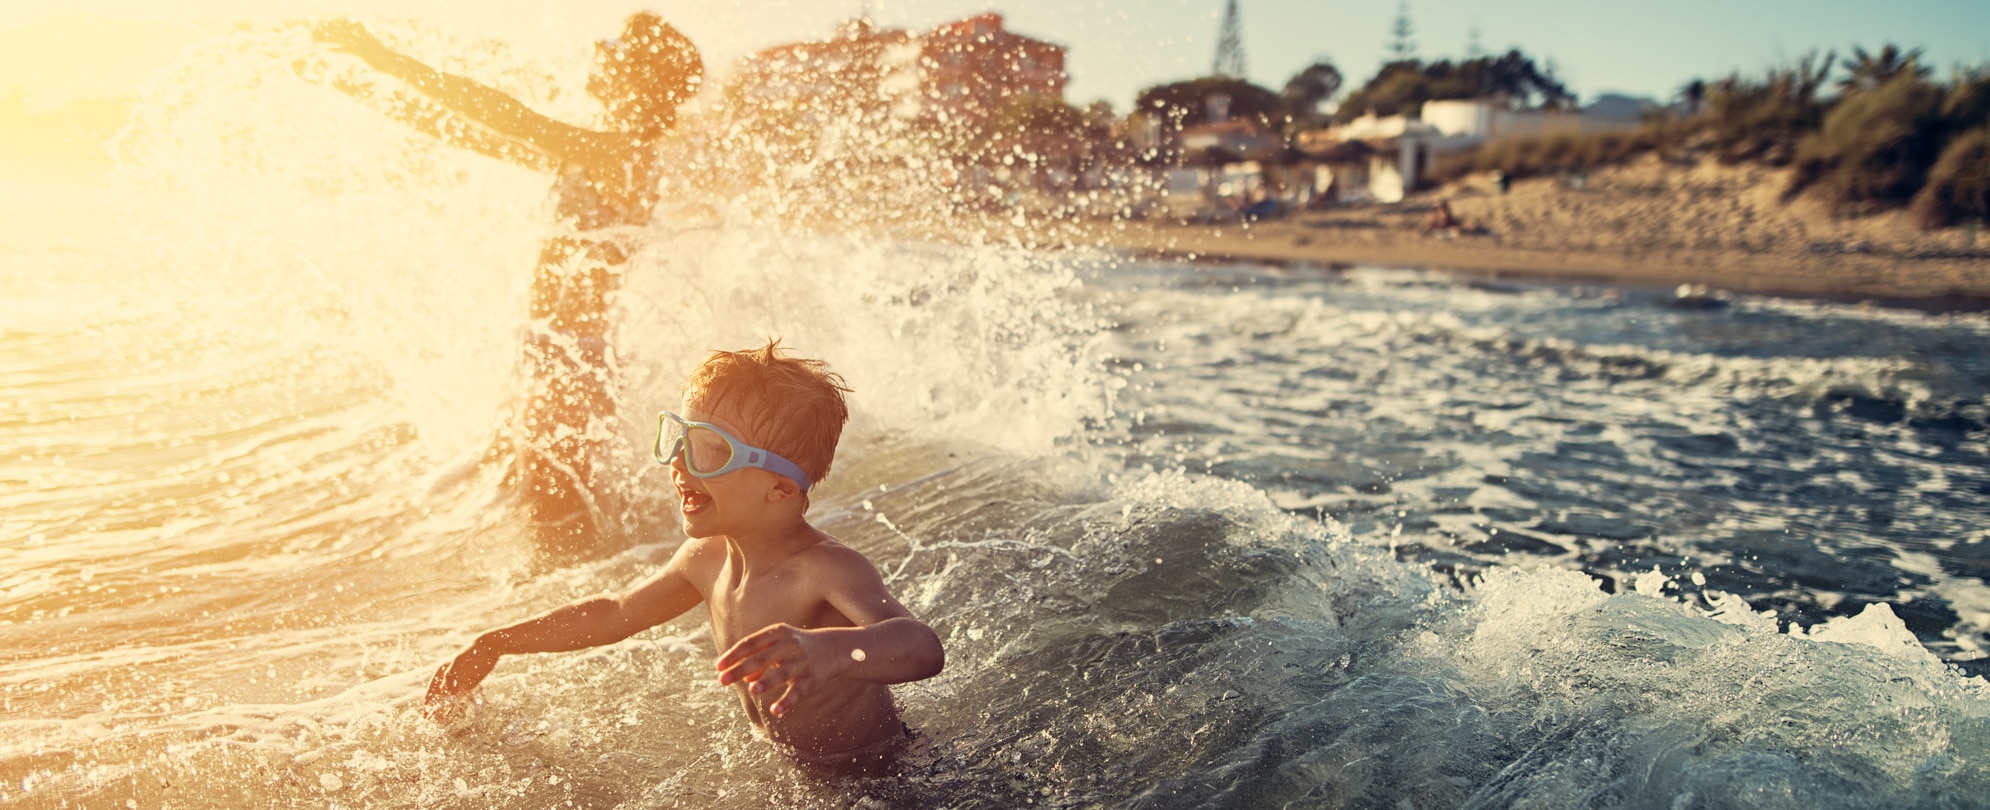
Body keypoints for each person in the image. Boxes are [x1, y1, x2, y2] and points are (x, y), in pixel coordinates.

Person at [423, 342, 946, 771]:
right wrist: (497, 642)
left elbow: (921, 647)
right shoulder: (705, 557)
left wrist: (830, 652)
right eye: (680, 438)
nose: (679, 463)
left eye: (710, 449)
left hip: (876, 770)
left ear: (781, 488)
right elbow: (615, 613)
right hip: (791, 767)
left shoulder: (824, 569)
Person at [310, 12, 703, 547]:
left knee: (562, 523)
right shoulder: (598, 152)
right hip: (553, 353)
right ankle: (600, 595)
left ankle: (607, 608)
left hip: (570, 362)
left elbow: (507, 114)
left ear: (637, 74)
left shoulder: (620, 153)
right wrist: (357, 87)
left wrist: (383, 59)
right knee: (548, 510)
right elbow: (467, 130)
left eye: (612, 41)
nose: (596, 42)